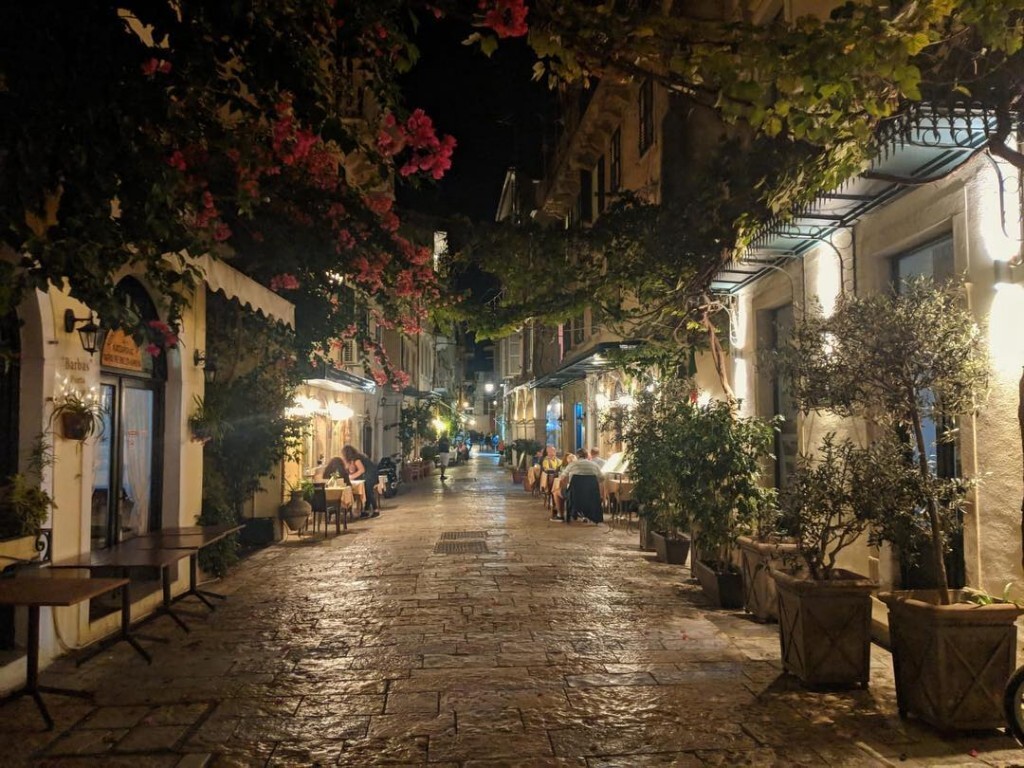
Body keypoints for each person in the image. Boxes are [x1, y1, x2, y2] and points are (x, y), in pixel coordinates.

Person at [561, 454, 605, 523]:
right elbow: (602, 478)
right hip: (591, 494)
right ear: (587, 457)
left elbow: (562, 477)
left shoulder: (572, 464)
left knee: (558, 492)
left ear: (578, 457)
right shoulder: (594, 465)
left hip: (575, 495)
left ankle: (560, 515)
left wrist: (567, 484)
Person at [342, 445, 379, 517]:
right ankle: (366, 510)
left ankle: (376, 509)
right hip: (371, 473)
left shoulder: (356, 459)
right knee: (366, 490)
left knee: (368, 491)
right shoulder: (356, 458)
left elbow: (362, 470)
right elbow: (353, 470)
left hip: (370, 474)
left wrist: (351, 477)